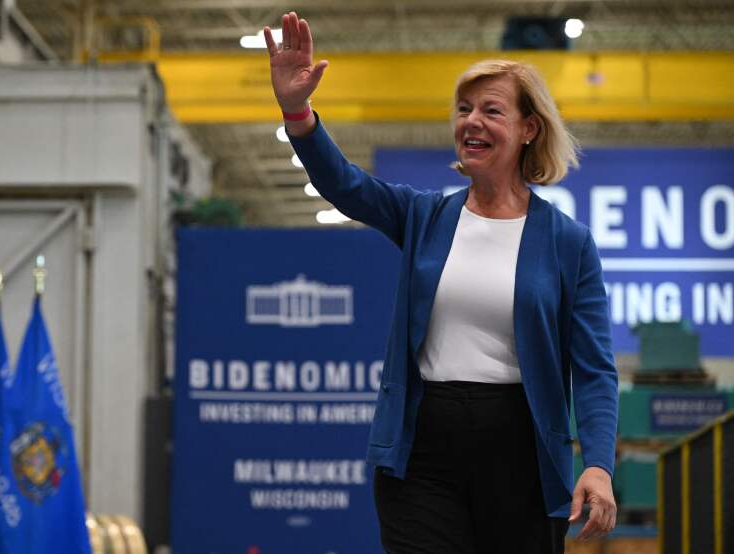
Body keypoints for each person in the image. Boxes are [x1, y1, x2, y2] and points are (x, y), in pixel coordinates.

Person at [264, 11, 619, 554]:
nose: (471, 121)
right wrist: (298, 111)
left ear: (529, 129)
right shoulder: (422, 216)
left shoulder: (568, 243)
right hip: (421, 455)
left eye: (491, 110)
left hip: (523, 456)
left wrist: (597, 463)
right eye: (463, 109)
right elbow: (346, 185)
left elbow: (594, 372)